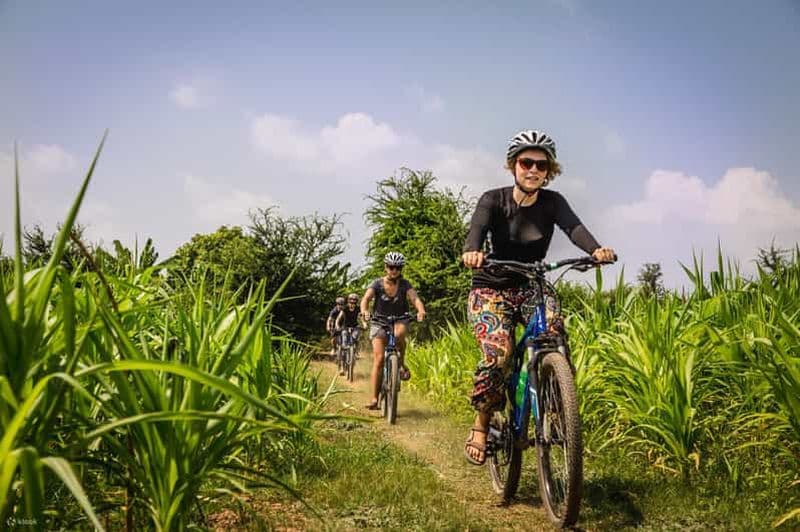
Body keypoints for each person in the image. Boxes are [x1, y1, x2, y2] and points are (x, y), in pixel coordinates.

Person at [461, 129, 615, 466]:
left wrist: (595, 250)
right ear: (513, 166)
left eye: (541, 165)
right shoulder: (492, 199)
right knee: (499, 355)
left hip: (532, 284)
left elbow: (574, 228)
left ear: (549, 171)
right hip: (491, 288)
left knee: (555, 333)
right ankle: (481, 423)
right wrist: (472, 252)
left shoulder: (553, 202)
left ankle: (559, 410)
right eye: (526, 162)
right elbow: (476, 233)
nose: (533, 170)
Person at [360, 251, 426, 410]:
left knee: (399, 334)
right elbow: (366, 299)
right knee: (379, 360)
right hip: (379, 321)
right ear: (385, 267)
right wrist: (365, 311)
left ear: (401, 269)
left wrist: (421, 310)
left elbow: (414, 298)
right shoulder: (376, 283)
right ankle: (375, 398)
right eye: (391, 267)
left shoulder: (405, 284)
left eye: (397, 267)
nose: (393, 270)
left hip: (399, 319)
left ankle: (400, 364)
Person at [334, 293, 362, 375]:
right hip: (345, 327)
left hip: (355, 326)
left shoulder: (358, 308)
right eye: (351, 300)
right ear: (348, 300)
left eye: (354, 301)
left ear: (356, 302)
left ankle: (355, 351)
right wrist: (337, 326)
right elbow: (338, 319)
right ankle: (342, 367)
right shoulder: (344, 309)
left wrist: (364, 324)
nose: (352, 302)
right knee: (344, 345)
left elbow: (361, 317)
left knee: (356, 337)